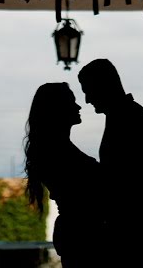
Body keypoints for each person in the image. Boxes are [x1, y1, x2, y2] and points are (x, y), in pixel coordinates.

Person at [78, 58, 143, 268]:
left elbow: (128, 180)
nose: (87, 99)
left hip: (133, 230)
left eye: (88, 89)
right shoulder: (127, 115)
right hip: (136, 227)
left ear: (103, 85)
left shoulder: (128, 118)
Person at [24, 83, 103, 268]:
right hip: (83, 236)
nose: (78, 106)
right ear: (57, 110)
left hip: (76, 235)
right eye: (72, 102)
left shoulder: (53, 151)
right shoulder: (58, 153)